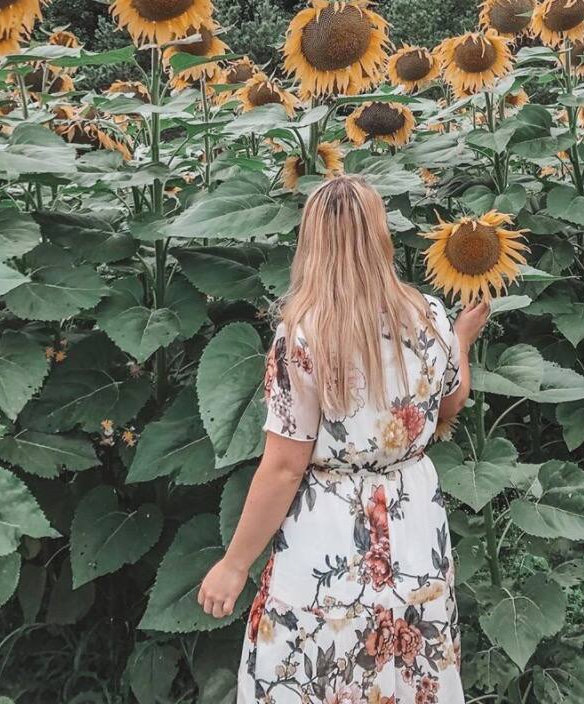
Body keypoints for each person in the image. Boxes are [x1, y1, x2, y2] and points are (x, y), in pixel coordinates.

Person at [197, 173, 489, 703]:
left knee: (319, 667)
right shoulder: (429, 316)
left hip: (332, 527)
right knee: (411, 660)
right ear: (381, 238)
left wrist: (234, 564)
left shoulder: (303, 333)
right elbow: (450, 402)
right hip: (413, 516)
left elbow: (284, 466)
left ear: (311, 242)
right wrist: (461, 342)